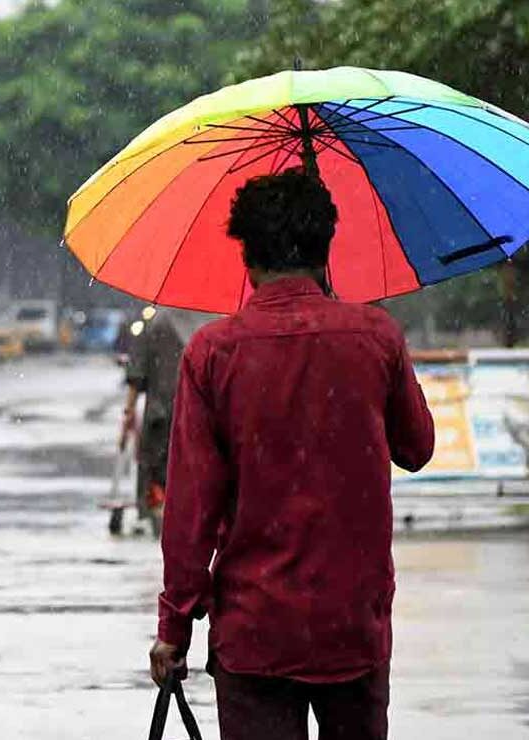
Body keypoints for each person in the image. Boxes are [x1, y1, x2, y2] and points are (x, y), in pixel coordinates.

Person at [147, 169, 435, 740]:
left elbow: (191, 510)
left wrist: (174, 625)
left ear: (247, 258)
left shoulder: (212, 353)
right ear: (326, 249)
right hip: (352, 626)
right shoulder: (376, 337)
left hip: (254, 631)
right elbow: (417, 447)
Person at [119, 307, 214, 534]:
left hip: (160, 413)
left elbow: (137, 372)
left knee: (156, 470)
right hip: (202, 415)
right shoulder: (215, 321)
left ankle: (159, 513)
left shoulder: (156, 322)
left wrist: (129, 411)